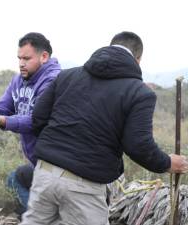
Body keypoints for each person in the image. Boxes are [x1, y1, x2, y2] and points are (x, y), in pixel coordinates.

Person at [21, 31, 188, 225]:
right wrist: (167, 162)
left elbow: (38, 119)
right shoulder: (139, 92)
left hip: (45, 174)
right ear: (138, 59)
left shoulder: (67, 76)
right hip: (84, 185)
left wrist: (57, 149)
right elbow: (138, 146)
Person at [0, 32, 61, 214]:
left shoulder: (53, 81)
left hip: (58, 164)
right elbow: (3, 106)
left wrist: (0, 120)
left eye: (27, 58)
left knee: (19, 183)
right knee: (14, 179)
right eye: (19, 58)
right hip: (39, 161)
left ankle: (37, 217)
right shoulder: (19, 79)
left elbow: (37, 120)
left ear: (44, 56)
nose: (21, 63)